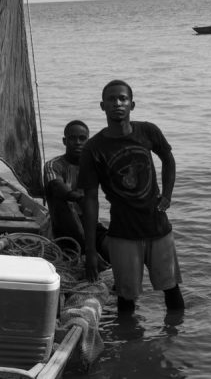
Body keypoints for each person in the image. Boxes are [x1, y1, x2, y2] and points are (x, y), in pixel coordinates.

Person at [78, 80, 185, 312]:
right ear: (102, 106)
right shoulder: (94, 148)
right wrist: (90, 251)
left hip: (158, 229)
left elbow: (168, 158)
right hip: (123, 233)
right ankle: (129, 343)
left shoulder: (147, 131)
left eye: (123, 99)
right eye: (112, 99)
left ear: (132, 104)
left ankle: (174, 335)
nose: (118, 103)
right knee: (126, 299)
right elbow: (90, 199)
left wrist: (167, 195)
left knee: (172, 290)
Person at [43, 120, 109, 261]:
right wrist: (78, 198)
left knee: (113, 247)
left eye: (82, 138)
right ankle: (85, 254)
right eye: (72, 138)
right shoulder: (53, 165)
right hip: (63, 226)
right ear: (64, 141)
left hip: (89, 224)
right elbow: (56, 186)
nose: (78, 142)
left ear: (88, 141)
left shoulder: (95, 166)